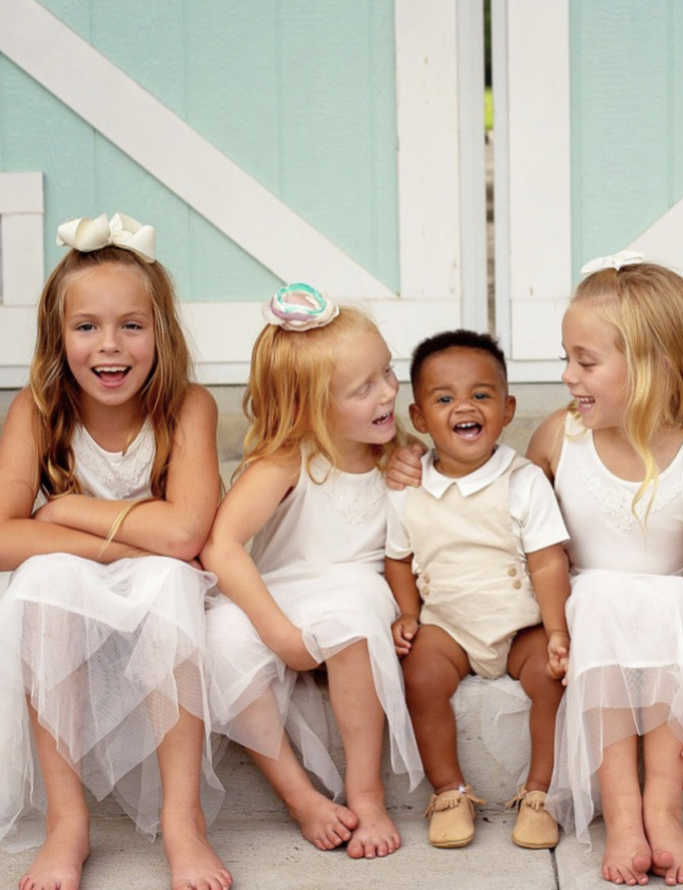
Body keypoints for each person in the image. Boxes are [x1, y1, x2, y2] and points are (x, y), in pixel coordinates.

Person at [0, 213, 231, 890]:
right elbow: (3, 536)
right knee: (44, 581)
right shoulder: (37, 409)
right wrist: (123, 536)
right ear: (57, 336)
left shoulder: (189, 407)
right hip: (74, 581)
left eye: (132, 325)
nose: (110, 347)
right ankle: (67, 824)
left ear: (161, 331)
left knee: (167, 580)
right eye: (86, 327)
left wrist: (66, 508)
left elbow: (185, 536)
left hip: (161, 582)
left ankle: (183, 819)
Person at [529, 253, 683, 886]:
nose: (569, 376)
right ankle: (623, 816)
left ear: (655, 366)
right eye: (566, 357)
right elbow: (499, 499)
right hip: (590, 631)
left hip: (669, 640)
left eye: (586, 361)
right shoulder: (557, 439)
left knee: (670, 601)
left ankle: (664, 808)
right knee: (598, 597)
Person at [200, 284, 423, 861]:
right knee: (221, 639)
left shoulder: (393, 449)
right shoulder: (286, 459)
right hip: (283, 593)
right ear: (309, 407)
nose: (388, 393)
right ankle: (301, 798)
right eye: (363, 388)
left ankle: (366, 795)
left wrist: (416, 458)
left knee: (351, 625)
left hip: (354, 590)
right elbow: (222, 546)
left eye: (387, 373)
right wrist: (277, 634)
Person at [384, 329, 570, 851]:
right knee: (420, 675)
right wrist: (407, 613)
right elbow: (397, 560)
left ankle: (540, 793)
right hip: (449, 624)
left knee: (550, 679)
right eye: (444, 398)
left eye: (481, 395)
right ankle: (449, 790)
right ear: (419, 417)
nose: (464, 406)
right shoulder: (408, 486)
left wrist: (555, 629)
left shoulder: (523, 480)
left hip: (521, 623)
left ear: (508, 408)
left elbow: (547, 560)